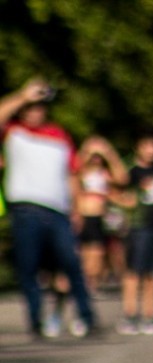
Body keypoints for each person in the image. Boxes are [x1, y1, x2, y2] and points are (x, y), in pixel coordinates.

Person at [0, 78, 99, 339]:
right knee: (29, 268)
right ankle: (36, 322)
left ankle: (86, 317)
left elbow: (71, 175)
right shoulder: (13, 131)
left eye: (39, 107)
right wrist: (23, 95)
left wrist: (76, 208)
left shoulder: (59, 136)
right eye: (31, 108)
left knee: (72, 266)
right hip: (26, 209)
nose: (35, 112)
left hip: (58, 210)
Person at [117, 130, 153, 335]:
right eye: (147, 146)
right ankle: (129, 315)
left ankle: (150, 315)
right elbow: (114, 189)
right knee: (133, 272)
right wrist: (126, 203)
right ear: (138, 148)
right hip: (138, 226)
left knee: (152, 274)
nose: (151, 150)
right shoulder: (132, 172)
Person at [75, 136, 131, 296]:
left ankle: (91, 284)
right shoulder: (81, 173)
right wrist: (87, 150)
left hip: (99, 217)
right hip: (83, 216)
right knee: (83, 253)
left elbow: (122, 178)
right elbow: (74, 169)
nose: (96, 159)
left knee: (97, 254)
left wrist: (109, 152)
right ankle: (83, 284)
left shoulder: (105, 174)